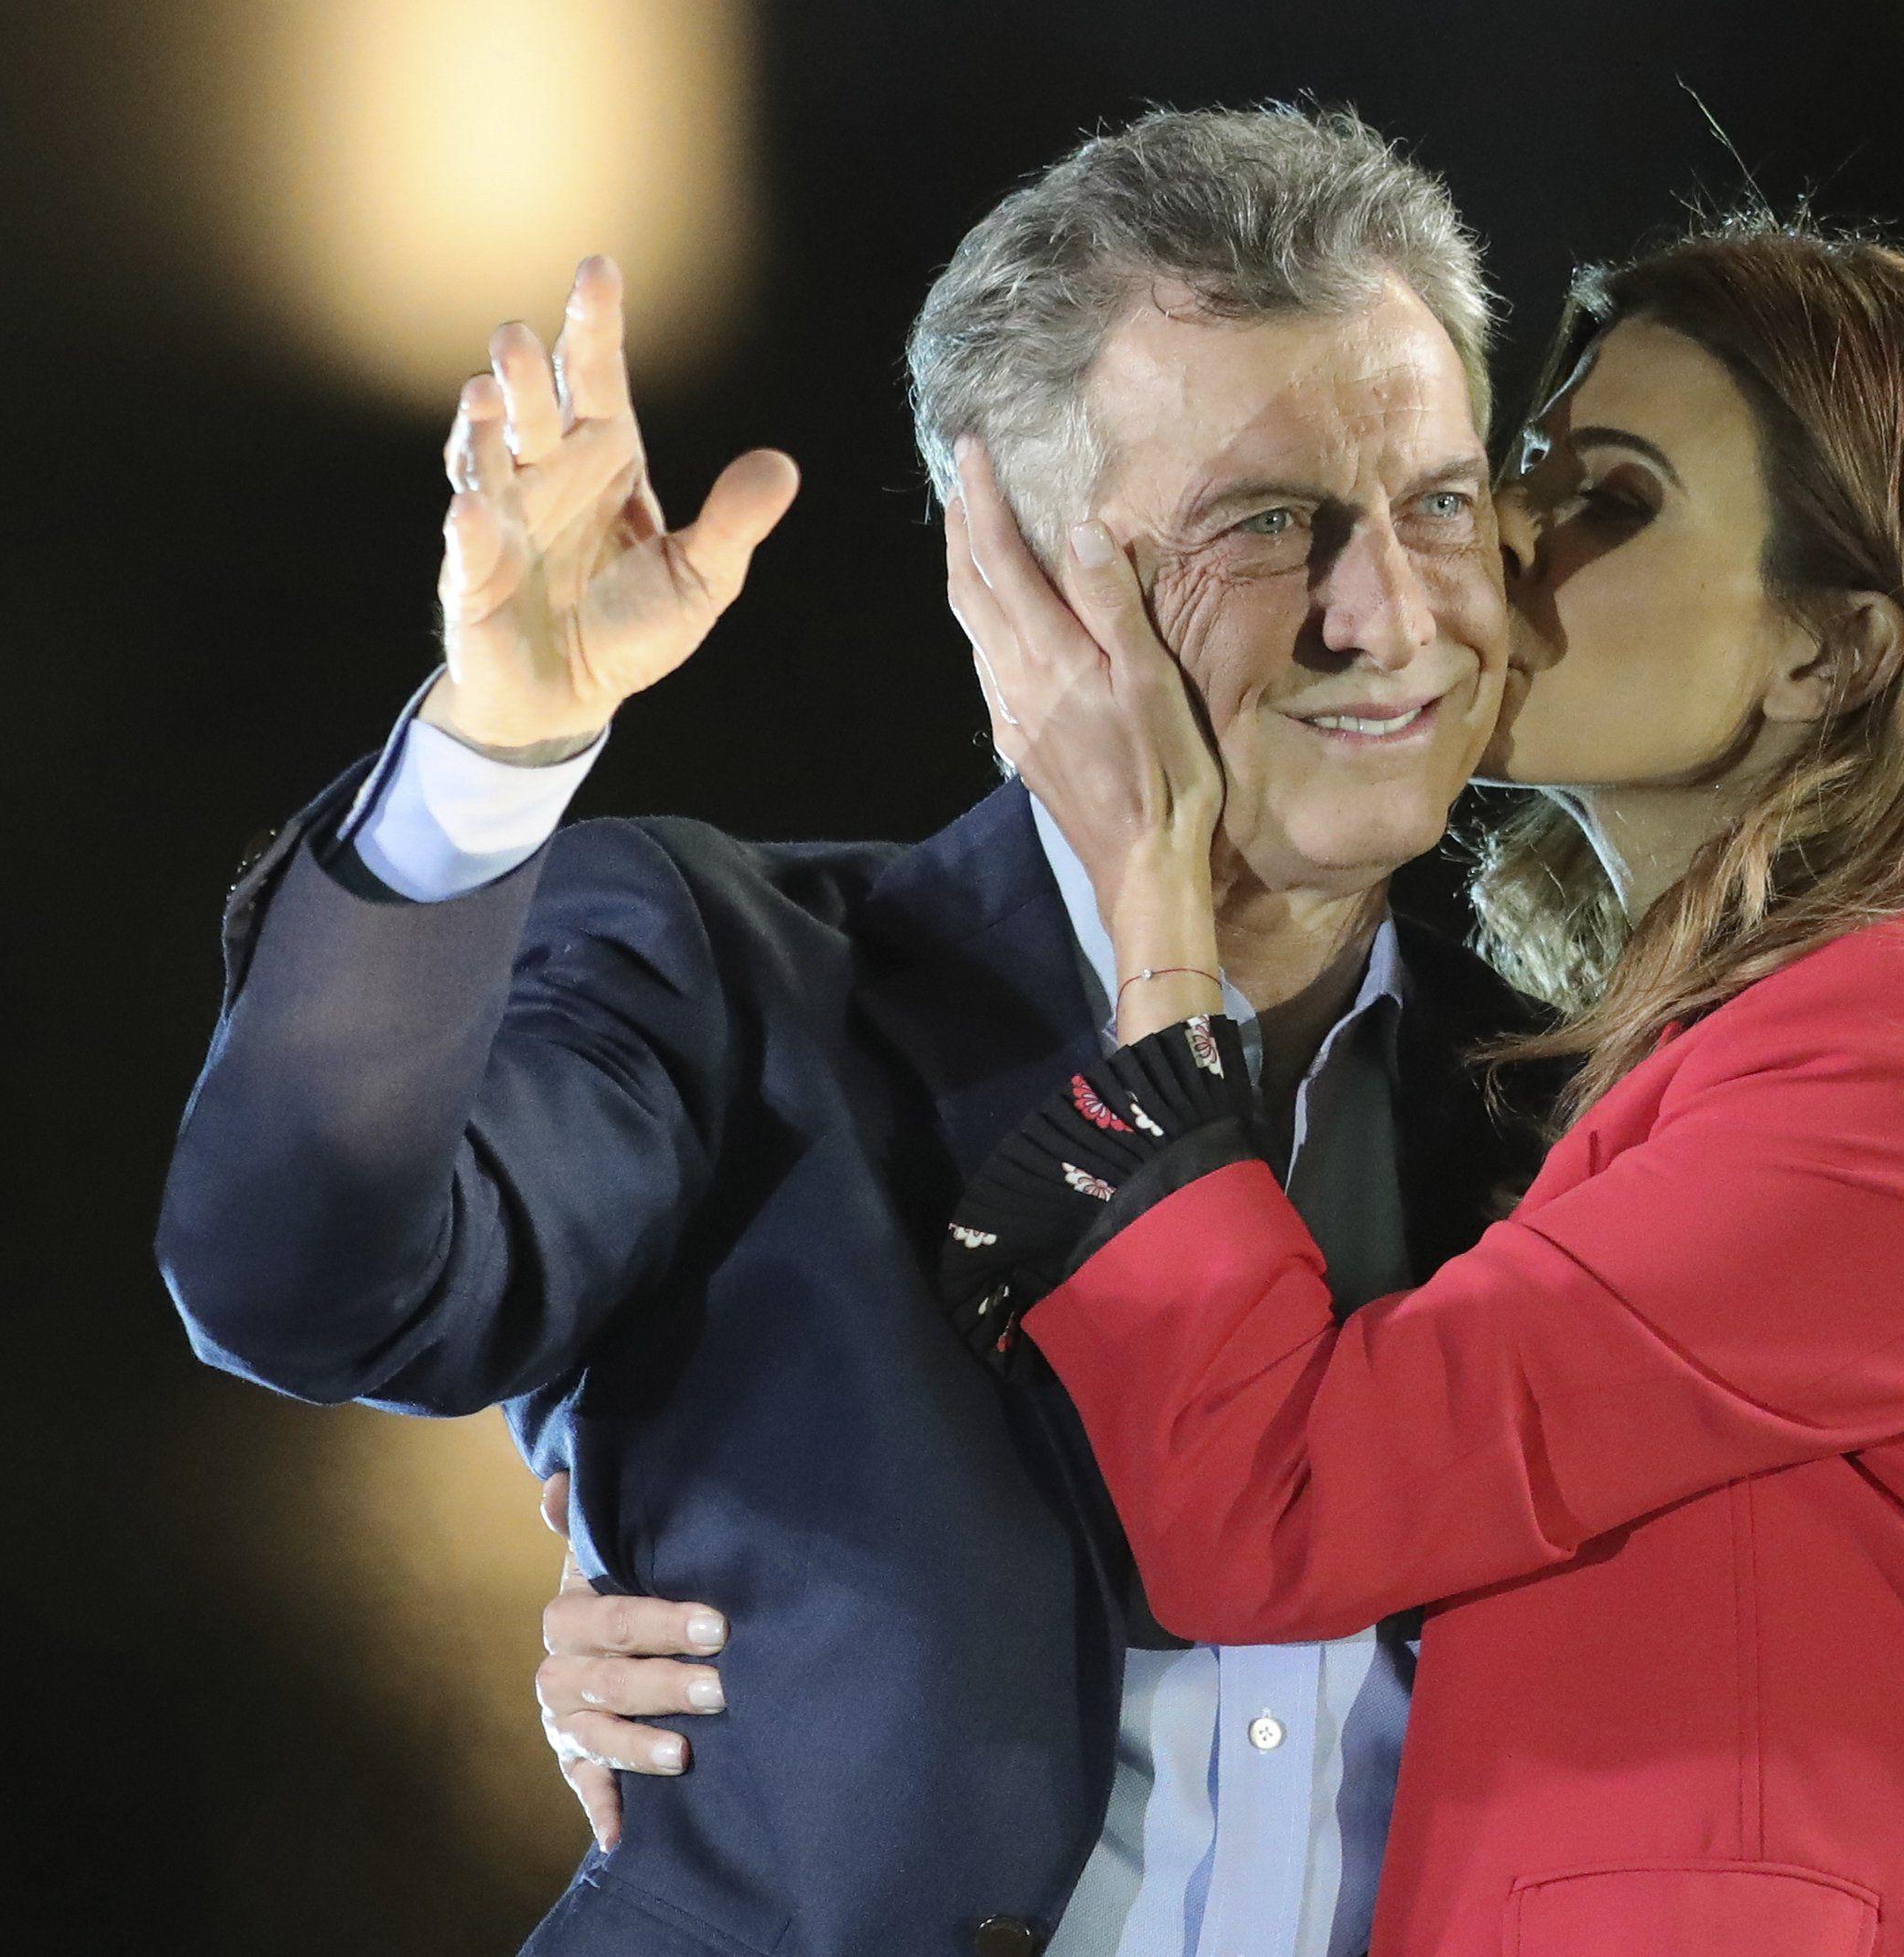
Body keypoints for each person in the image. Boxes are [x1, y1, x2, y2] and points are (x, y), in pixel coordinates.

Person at [557, 223, 1904, 1956]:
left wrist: (1151, 907)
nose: (1505, 553)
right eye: (1527, 467)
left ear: (1831, 653)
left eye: (1615, 498)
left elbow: (1281, 1503)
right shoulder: (1715, 1056)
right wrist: (742, 1620)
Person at [156, 107, 1550, 1957]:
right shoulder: (737, 984)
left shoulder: (1587, 1107)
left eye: (1438, 501)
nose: (1385, 614)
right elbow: (303, 1284)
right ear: (1023, 577)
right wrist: (491, 757)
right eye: (1270, 524)